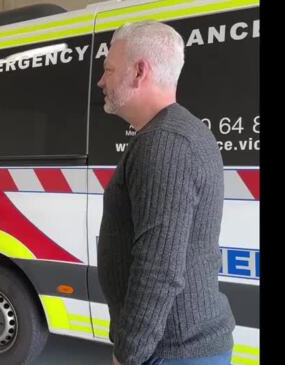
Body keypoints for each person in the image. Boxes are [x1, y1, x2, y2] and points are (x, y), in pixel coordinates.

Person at [96, 21, 235, 365]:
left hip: (171, 352)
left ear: (140, 71)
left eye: (109, 70)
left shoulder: (165, 142)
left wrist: (128, 353)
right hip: (176, 345)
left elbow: (159, 267)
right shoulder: (176, 132)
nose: (101, 81)